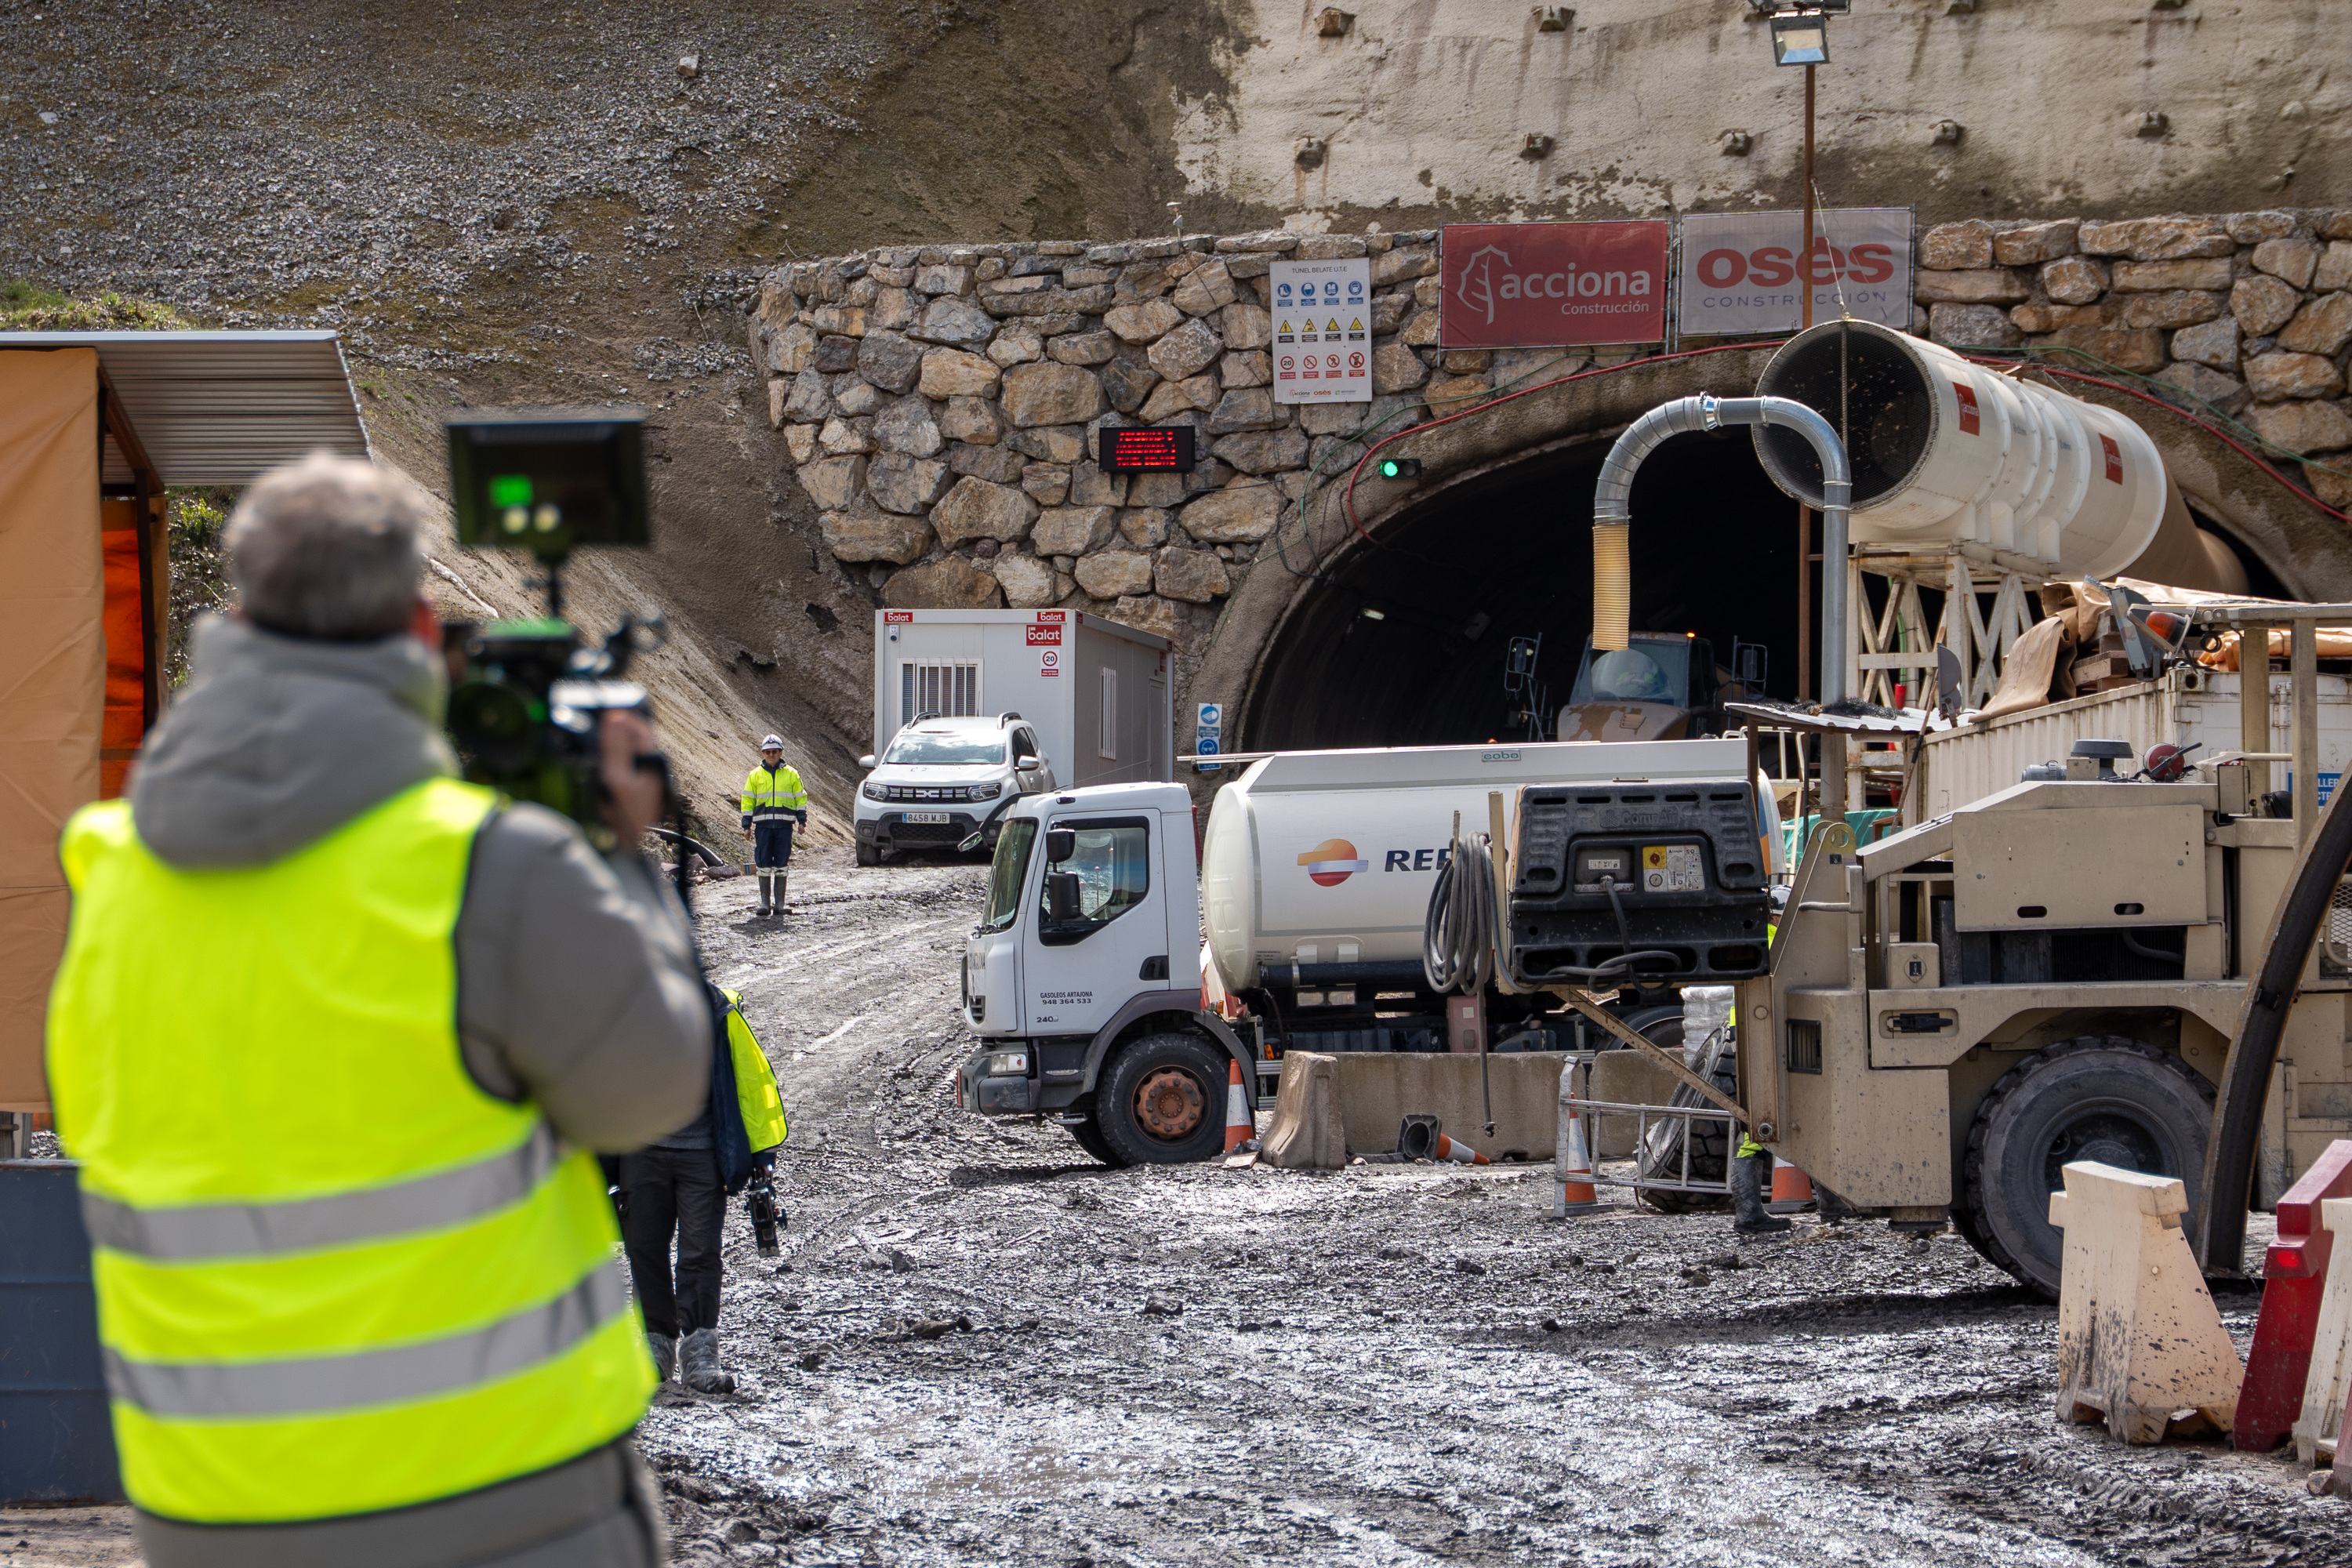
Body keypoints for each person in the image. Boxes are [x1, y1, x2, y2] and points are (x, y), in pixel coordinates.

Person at [45, 453, 712, 1568]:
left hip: (207, 1509)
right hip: (498, 1497)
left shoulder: (110, 878)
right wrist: (625, 857)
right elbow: (651, 1089)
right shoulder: (487, 871)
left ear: (236, 617)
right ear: (418, 626)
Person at [619, 982, 789, 1395]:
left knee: (699, 1252)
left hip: (701, 1155)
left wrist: (762, 1149)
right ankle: (655, 1349)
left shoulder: (718, 1010)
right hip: (641, 1152)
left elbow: (750, 1081)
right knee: (645, 1249)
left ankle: (699, 1356)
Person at [739, 735, 808, 916]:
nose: (771, 755)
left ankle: (780, 904)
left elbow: (800, 797)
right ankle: (764, 903)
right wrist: (746, 826)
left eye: (774, 752)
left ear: (780, 753)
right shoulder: (755, 775)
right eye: (768, 752)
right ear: (763, 753)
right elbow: (747, 801)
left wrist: (802, 821)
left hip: (784, 826)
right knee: (763, 863)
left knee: (781, 863)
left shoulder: (792, 774)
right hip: (763, 826)